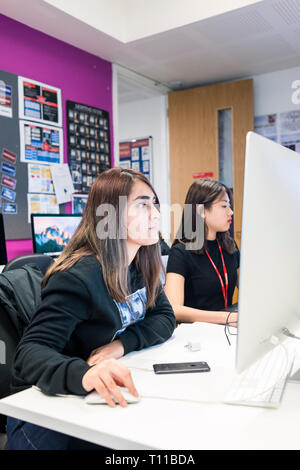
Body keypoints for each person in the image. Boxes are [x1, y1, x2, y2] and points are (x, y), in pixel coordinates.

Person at [7, 168, 176, 450]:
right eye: (143, 204)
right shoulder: (79, 276)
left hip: (93, 401)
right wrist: (84, 374)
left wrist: (123, 344)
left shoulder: (140, 266)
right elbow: (29, 353)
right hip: (43, 411)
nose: (155, 214)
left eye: (155, 204)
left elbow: (165, 316)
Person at [165, 178, 239, 325]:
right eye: (224, 206)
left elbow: (248, 289)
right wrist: (226, 318)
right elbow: (174, 309)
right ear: (202, 211)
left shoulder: (230, 246)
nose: (231, 212)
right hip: (196, 335)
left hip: (227, 329)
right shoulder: (181, 252)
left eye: (229, 206)